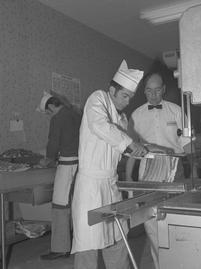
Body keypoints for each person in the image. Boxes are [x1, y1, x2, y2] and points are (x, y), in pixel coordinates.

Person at [71, 60, 148, 269]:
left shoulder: (122, 119)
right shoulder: (97, 99)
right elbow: (100, 126)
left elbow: (122, 146)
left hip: (110, 184)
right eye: (125, 96)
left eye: (131, 97)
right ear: (112, 90)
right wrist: (131, 144)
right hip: (91, 186)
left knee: (116, 237)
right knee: (88, 243)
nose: (128, 101)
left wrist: (143, 150)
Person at [126, 71, 192, 269]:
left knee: (173, 221)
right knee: (151, 223)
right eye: (149, 90)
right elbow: (131, 147)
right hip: (147, 170)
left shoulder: (177, 111)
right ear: (143, 90)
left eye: (157, 90)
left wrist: (193, 173)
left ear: (163, 89)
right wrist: (129, 179)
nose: (153, 95)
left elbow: (187, 144)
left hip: (174, 168)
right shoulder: (136, 115)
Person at [37, 92, 82, 260]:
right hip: (80, 164)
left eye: (48, 113)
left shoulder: (58, 118)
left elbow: (53, 142)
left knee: (60, 206)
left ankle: (60, 248)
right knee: (76, 205)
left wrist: (47, 159)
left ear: (51, 106)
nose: (49, 116)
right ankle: (78, 243)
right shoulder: (76, 114)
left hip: (68, 165)